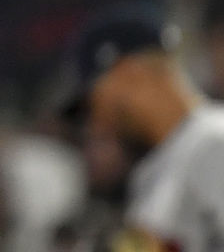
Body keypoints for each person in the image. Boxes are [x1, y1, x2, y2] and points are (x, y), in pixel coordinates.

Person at [64, 15, 224, 252]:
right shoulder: (154, 171)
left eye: (93, 101)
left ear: (128, 74)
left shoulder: (214, 140)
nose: (95, 122)